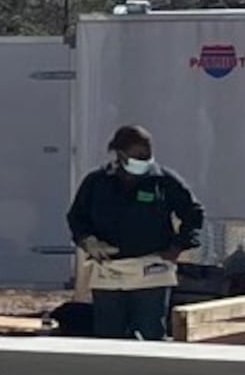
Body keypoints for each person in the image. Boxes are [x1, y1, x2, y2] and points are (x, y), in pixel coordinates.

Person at [65, 123, 204, 340]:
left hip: (152, 269)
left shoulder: (163, 181)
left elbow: (193, 212)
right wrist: (88, 241)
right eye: (137, 155)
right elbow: (77, 217)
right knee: (108, 334)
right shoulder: (97, 182)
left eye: (147, 155)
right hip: (109, 269)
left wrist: (178, 245)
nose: (144, 160)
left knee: (151, 333)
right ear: (120, 154)